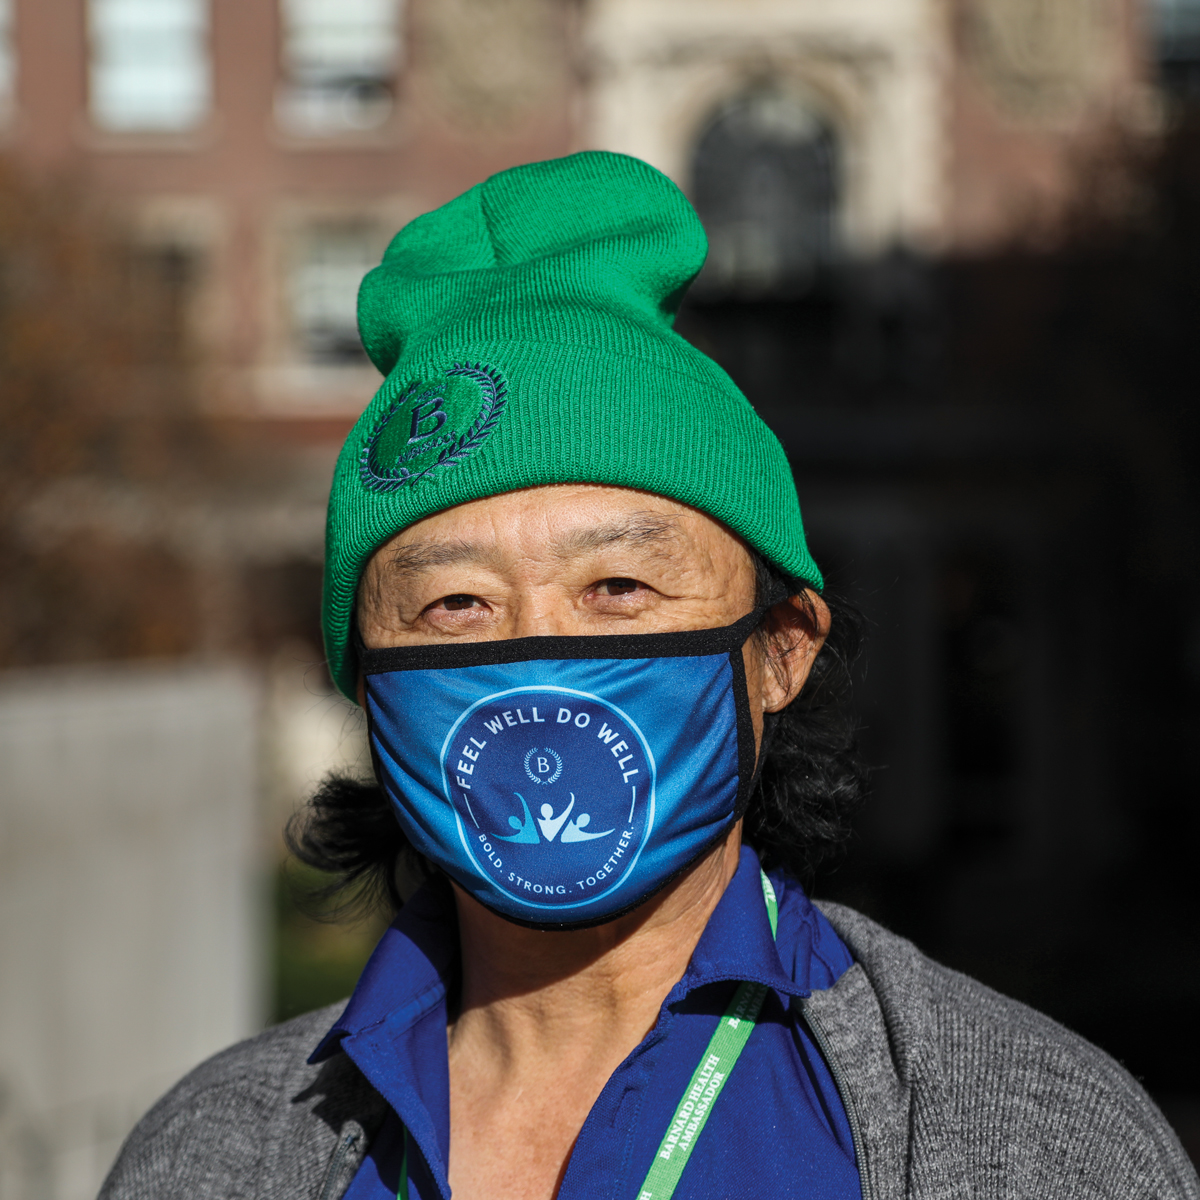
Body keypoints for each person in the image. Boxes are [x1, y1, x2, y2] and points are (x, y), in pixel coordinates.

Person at [99, 152, 1198, 1200]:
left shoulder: (1023, 1137)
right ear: (368, 683)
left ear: (780, 648)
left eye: (619, 587)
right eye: (455, 605)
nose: (537, 653)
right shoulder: (213, 1150)